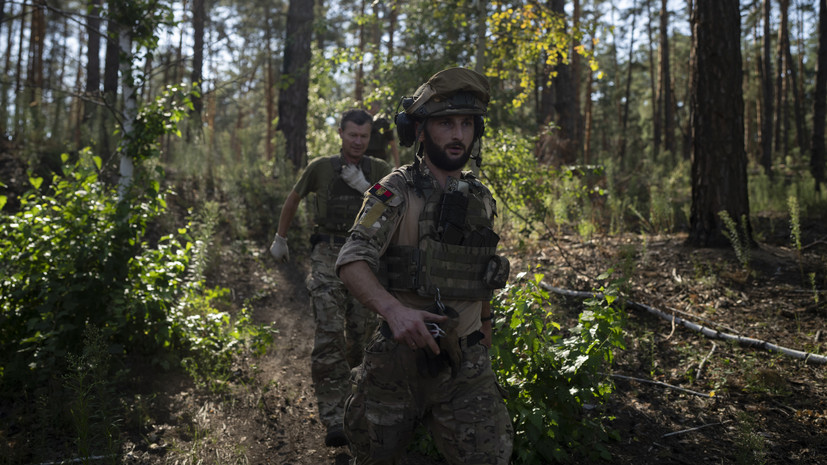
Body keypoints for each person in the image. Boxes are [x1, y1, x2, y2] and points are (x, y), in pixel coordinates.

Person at [335, 68, 513, 464]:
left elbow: (479, 276)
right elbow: (351, 260)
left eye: (467, 124)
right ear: (419, 130)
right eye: (446, 123)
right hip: (398, 359)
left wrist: (484, 330)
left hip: (466, 364)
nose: (457, 134)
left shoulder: (481, 199)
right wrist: (395, 311)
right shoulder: (394, 191)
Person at [269, 108, 392, 447]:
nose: (357, 142)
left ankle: (356, 404)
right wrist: (280, 238)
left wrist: (367, 188)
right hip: (326, 252)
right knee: (328, 333)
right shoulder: (321, 168)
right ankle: (334, 417)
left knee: (361, 335)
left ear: (369, 138)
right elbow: (294, 197)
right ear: (340, 133)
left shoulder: (380, 170)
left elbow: (395, 207)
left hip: (364, 255)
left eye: (363, 136)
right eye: (352, 135)